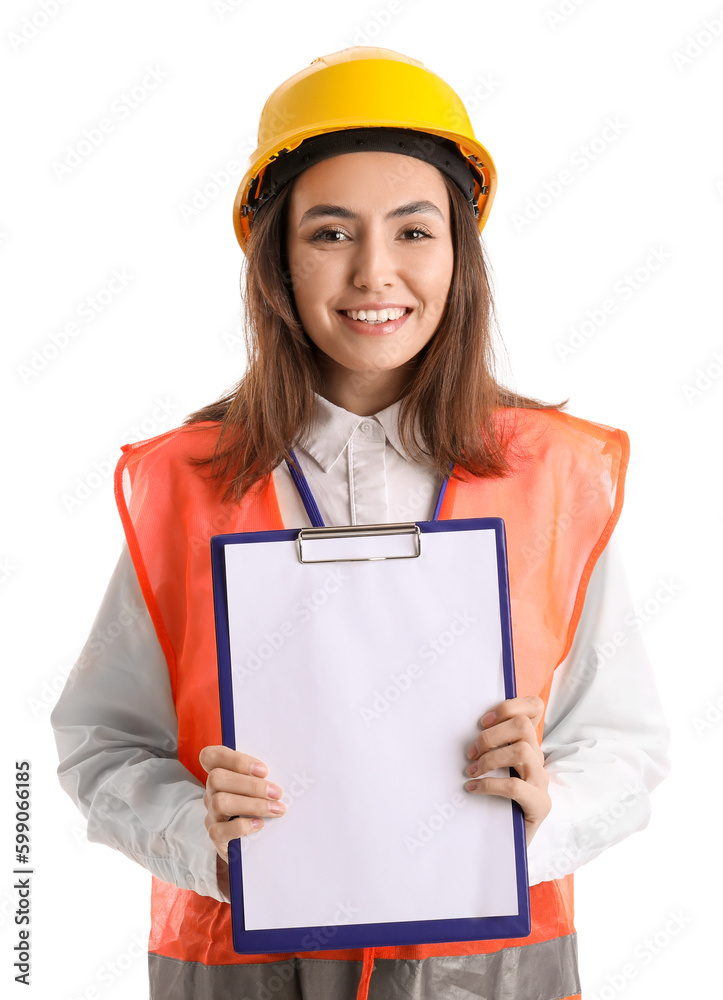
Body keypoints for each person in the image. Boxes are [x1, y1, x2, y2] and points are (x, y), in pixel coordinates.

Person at [51, 46, 670, 1000]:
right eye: (331, 233)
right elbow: (102, 744)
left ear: (458, 252)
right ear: (278, 260)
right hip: (239, 972)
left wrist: (545, 809)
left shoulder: (556, 477)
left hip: (491, 974)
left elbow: (623, 743)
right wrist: (195, 832)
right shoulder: (182, 484)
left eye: (414, 232)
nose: (375, 272)